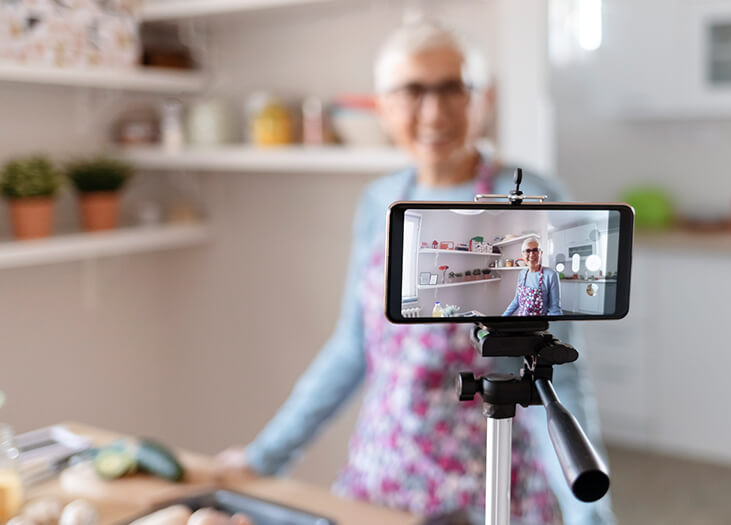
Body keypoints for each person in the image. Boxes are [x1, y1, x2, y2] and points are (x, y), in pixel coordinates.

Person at [215, 19, 616, 525]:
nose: (434, 111)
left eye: (454, 88)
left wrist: (590, 512)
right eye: (412, 91)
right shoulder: (380, 201)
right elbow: (352, 346)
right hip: (381, 477)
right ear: (383, 107)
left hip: (489, 488)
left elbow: (556, 370)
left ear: (483, 100)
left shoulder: (532, 198)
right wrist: (265, 455)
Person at [502, 237, 562, 316]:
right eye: (527, 251)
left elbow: (555, 309)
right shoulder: (522, 274)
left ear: (541, 253)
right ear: (522, 255)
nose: (531, 254)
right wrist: (503, 317)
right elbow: (517, 301)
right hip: (522, 324)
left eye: (535, 250)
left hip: (539, 325)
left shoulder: (551, 275)